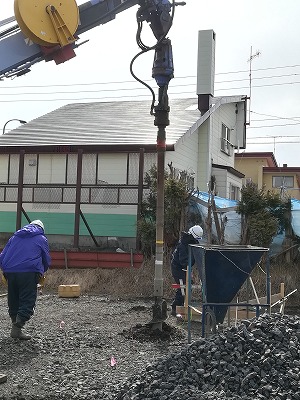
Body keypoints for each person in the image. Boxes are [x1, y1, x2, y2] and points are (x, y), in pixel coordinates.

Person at [0, 220, 51, 340]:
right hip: (28, 272)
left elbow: (2, 255)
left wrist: (5, 269)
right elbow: (46, 259)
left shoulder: (14, 237)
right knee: (27, 299)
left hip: (10, 271)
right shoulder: (41, 239)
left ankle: (16, 328)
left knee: (14, 298)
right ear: (41, 229)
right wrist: (42, 270)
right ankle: (17, 328)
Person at [170, 225, 203, 316]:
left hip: (185, 268)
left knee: (186, 287)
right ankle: (175, 308)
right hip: (178, 268)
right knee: (182, 287)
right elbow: (184, 261)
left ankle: (182, 306)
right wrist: (190, 265)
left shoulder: (193, 242)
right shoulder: (183, 245)